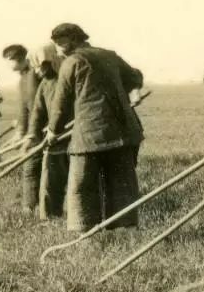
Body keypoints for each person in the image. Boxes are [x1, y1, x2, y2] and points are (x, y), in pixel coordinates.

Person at [45, 23, 144, 233]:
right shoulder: (110, 55)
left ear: (72, 39)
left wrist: (53, 131)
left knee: (81, 185)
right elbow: (135, 76)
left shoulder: (71, 62)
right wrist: (134, 91)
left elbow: (60, 102)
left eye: (59, 44)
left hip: (90, 135)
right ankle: (124, 229)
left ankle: (83, 233)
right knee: (122, 182)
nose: (57, 50)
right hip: (123, 132)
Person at [23, 44, 69, 221]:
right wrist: (32, 135)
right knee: (50, 180)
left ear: (50, 61)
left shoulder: (67, 78)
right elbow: (37, 111)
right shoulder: (44, 84)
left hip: (71, 137)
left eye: (38, 65)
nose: (36, 71)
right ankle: (50, 217)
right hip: (54, 139)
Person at [2, 43, 42, 212]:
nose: (9, 65)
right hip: (33, 128)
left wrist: (30, 133)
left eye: (10, 60)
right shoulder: (23, 78)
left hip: (41, 128)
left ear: (21, 58)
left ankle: (29, 207)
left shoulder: (34, 75)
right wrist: (20, 129)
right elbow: (24, 107)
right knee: (32, 167)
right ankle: (32, 205)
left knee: (31, 167)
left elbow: (36, 106)